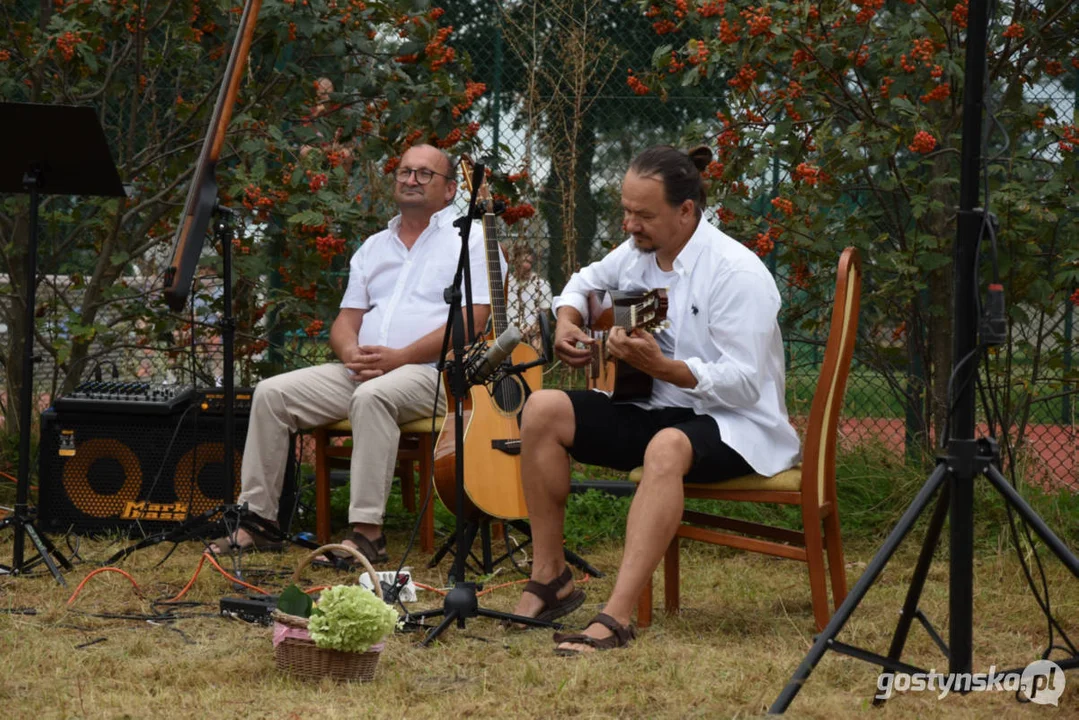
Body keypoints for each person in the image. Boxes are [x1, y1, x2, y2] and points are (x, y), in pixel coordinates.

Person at [508, 145, 801, 654]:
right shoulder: (639, 254)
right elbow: (584, 282)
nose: (629, 225)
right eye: (626, 210)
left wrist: (661, 368)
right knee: (542, 409)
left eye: (644, 215)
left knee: (667, 446)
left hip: (734, 422)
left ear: (686, 211)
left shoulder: (737, 272)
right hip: (651, 406)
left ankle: (615, 618)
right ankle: (551, 578)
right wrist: (568, 320)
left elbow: (745, 383)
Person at [210, 144, 501, 565]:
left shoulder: (471, 240)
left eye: (424, 174)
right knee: (271, 394)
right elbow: (346, 320)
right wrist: (351, 352)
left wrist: (398, 358)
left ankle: (367, 536)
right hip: (366, 368)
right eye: (404, 171)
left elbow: (474, 320)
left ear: (451, 189)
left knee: (373, 397)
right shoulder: (373, 247)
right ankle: (260, 522)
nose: (411, 179)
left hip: (434, 372)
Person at [505, 246, 552, 354]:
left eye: (530, 262)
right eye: (524, 261)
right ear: (515, 261)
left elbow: (544, 318)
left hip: (531, 336)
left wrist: (528, 331)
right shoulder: (506, 284)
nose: (527, 266)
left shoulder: (542, 285)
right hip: (507, 334)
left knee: (537, 343)